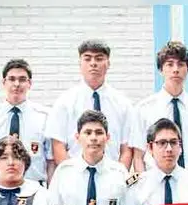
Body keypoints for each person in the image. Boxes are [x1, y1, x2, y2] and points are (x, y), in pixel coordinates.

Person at [46, 39, 140, 171]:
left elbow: (126, 149)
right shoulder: (64, 102)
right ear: (80, 63)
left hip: (112, 177)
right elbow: (58, 146)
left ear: (108, 63)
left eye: (99, 59)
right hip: (75, 177)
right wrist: (73, 176)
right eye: (87, 59)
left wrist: (117, 177)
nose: (93, 64)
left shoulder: (123, 104)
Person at [48, 110, 130, 205]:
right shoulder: (64, 172)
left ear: (107, 138)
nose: (93, 138)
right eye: (88, 133)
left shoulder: (120, 174)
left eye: (99, 133)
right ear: (77, 137)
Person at [137, 41, 188, 170]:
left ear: (187, 69)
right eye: (170, 64)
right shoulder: (144, 109)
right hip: (156, 181)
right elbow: (138, 155)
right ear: (161, 69)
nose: (175, 70)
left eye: (181, 64)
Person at [0, 59, 53, 185]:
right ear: (4, 82)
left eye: (22, 79)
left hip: (33, 189)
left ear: (30, 83)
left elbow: (51, 162)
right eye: (11, 79)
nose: (17, 84)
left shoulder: (45, 117)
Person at [121, 118, 188, 205]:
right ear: (150, 148)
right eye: (162, 143)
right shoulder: (138, 187)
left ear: (180, 147)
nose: (169, 149)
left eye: (173, 142)